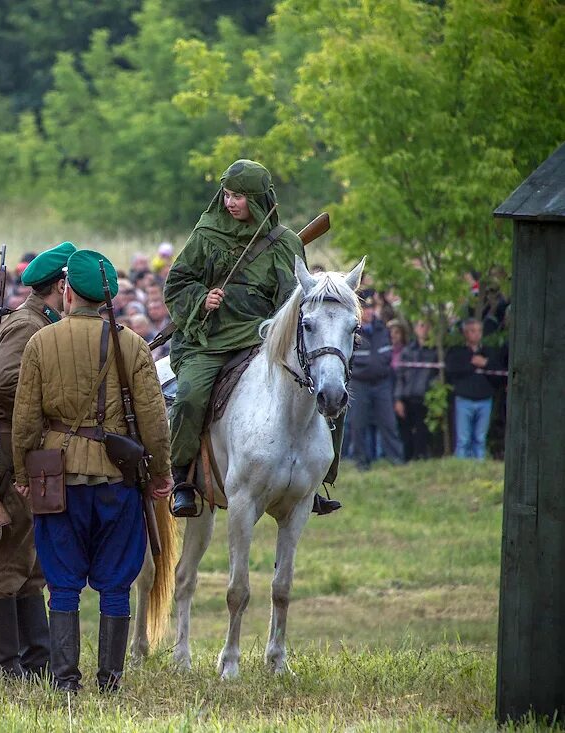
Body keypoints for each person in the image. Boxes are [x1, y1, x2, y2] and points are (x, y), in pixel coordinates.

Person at [11, 249, 172, 693]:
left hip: (57, 476)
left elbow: (25, 420)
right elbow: (154, 421)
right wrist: (160, 472)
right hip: (117, 478)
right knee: (116, 584)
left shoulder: (41, 342)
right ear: (107, 297)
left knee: (62, 583)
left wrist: (24, 474)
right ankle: (110, 680)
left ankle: (65, 680)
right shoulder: (133, 344)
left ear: (67, 291)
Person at [162, 159, 339, 516]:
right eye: (227, 195)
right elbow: (177, 282)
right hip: (208, 340)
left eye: (239, 197)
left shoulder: (286, 242)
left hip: (263, 341)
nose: (230, 203)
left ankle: (316, 480)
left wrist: (275, 332)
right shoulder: (206, 233)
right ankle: (181, 477)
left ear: (258, 199)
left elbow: (291, 300)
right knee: (190, 396)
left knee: (328, 389)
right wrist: (202, 297)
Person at [0, 241, 74, 679]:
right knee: (11, 557)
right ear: (61, 284)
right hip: (15, 449)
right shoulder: (28, 324)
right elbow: (1, 384)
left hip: (34, 450)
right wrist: (55, 397)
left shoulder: (44, 320)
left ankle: (34, 657)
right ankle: (2, 662)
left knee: (33, 561)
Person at [348, 303, 405, 470]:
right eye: (365, 309)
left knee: (388, 423)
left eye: (371, 308)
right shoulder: (353, 331)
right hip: (359, 384)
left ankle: (396, 458)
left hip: (382, 383)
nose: (369, 312)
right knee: (358, 425)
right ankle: (361, 462)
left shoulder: (382, 330)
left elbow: (387, 356)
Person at [445, 318, 500, 459]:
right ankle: (461, 467)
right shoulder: (457, 352)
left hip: (484, 400)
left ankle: (480, 468)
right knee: (463, 439)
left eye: (479, 331)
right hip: (464, 399)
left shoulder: (489, 352)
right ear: (465, 333)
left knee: (480, 438)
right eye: (472, 331)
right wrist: (473, 364)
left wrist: (485, 363)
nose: (476, 334)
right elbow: (452, 370)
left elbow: (499, 373)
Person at [394, 320, 436, 460]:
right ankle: (407, 459)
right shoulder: (408, 350)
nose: (424, 329)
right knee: (406, 433)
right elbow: (400, 375)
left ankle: (422, 457)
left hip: (425, 397)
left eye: (426, 326)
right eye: (421, 325)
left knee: (422, 431)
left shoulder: (435, 351)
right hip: (408, 396)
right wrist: (398, 399)